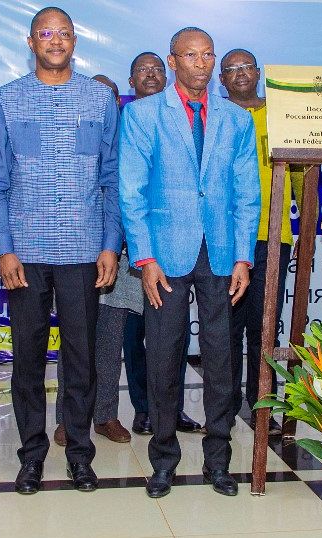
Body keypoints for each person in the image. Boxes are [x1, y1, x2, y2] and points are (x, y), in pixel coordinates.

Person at [0, 6, 121, 495]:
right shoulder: (7, 100)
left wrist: (110, 244)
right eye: (46, 33)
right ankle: (32, 456)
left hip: (84, 251)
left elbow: (111, 180)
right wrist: (3, 249)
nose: (55, 41)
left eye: (63, 34)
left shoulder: (100, 100)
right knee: (27, 360)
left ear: (75, 42)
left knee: (81, 359)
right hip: (25, 253)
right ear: (30, 41)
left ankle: (81, 454)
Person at [119, 27, 260, 498]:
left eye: (208, 56)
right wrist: (143, 257)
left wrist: (244, 255)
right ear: (173, 60)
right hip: (165, 254)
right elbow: (131, 191)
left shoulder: (236, 120)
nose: (201, 64)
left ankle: (218, 460)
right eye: (190, 56)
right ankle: (163, 460)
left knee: (221, 360)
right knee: (164, 359)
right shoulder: (141, 115)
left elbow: (246, 194)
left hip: (221, 253)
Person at [219, 48, 309, 434]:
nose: (240, 74)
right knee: (222, 328)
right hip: (223, 238)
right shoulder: (216, 115)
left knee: (264, 326)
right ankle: (221, 408)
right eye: (231, 69)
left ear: (258, 72)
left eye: (246, 67)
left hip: (272, 237)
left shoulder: (283, 114)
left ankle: (260, 406)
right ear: (221, 80)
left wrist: (308, 225)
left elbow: (305, 173)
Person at [120, 51, 203, 437]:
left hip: (176, 247)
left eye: (156, 69)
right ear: (131, 81)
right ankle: (143, 408)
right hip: (131, 246)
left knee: (172, 337)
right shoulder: (130, 117)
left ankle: (169, 410)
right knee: (136, 334)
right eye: (142, 71)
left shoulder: (184, 115)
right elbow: (125, 188)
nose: (151, 75)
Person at [52, 73, 133, 445]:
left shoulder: (125, 142)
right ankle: (69, 420)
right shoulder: (69, 145)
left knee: (109, 341)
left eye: (111, 99)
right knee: (74, 341)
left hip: (117, 255)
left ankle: (106, 415)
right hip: (73, 253)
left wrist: (115, 247)